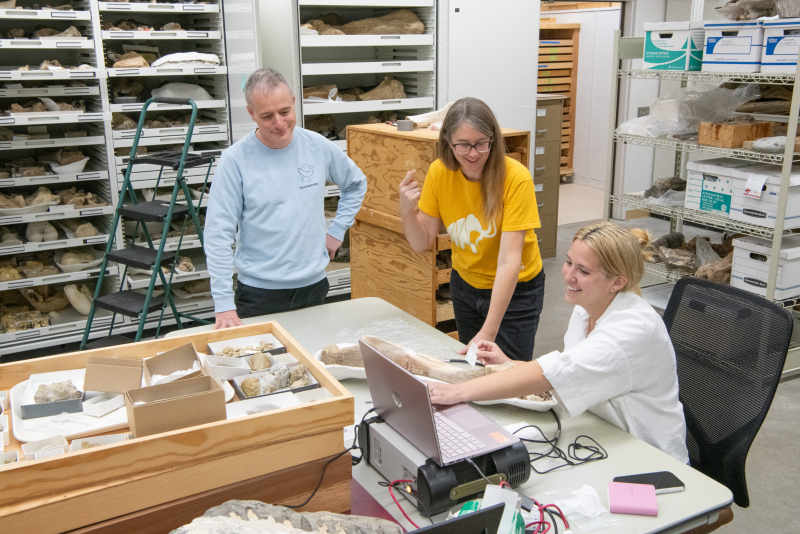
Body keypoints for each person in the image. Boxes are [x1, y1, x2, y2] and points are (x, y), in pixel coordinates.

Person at [427, 222, 690, 463]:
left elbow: (556, 372)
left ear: (616, 282)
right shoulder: (588, 306)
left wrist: (460, 391)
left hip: (650, 456)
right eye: (568, 263)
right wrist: (508, 363)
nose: (568, 275)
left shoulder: (631, 330)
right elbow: (572, 370)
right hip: (603, 433)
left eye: (583, 271)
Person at [206, 68, 367, 329]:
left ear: (294, 101)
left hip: (313, 287)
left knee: (312, 362)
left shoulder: (317, 146)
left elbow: (356, 183)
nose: (279, 123)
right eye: (267, 116)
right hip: (259, 294)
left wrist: (337, 230)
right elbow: (218, 235)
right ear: (251, 113)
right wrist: (224, 303)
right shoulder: (235, 161)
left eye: (284, 112)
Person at [398, 97, 545, 361]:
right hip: (465, 284)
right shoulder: (439, 172)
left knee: (509, 374)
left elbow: (510, 260)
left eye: (481, 144)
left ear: (494, 140)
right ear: (448, 143)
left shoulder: (516, 178)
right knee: (474, 369)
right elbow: (422, 242)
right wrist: (407, 211)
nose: (473, 153)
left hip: (516, 291)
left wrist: (488, 330)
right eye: (463, 145)